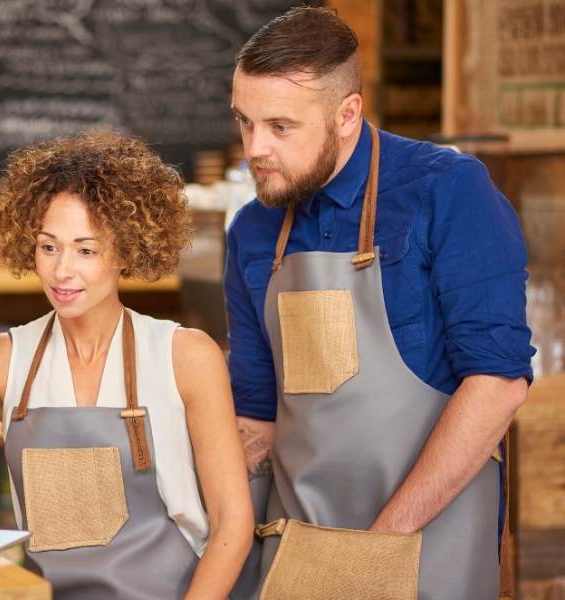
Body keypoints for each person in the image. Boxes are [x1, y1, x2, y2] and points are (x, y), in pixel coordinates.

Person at [224, 7, 534, 600]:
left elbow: (497, 381)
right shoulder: (252, 232)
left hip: (426, 542)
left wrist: (377, 549)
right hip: (299, 544)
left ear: (347, 115)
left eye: (281, 127)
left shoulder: (447, 191)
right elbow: (258, 411)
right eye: (245, 122)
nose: (255, 149)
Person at [0, 131, 253, 599]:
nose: (62, 271)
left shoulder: (186, 356)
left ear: (125, 251)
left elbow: (233, 522)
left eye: (86, 250)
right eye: (49, 247)